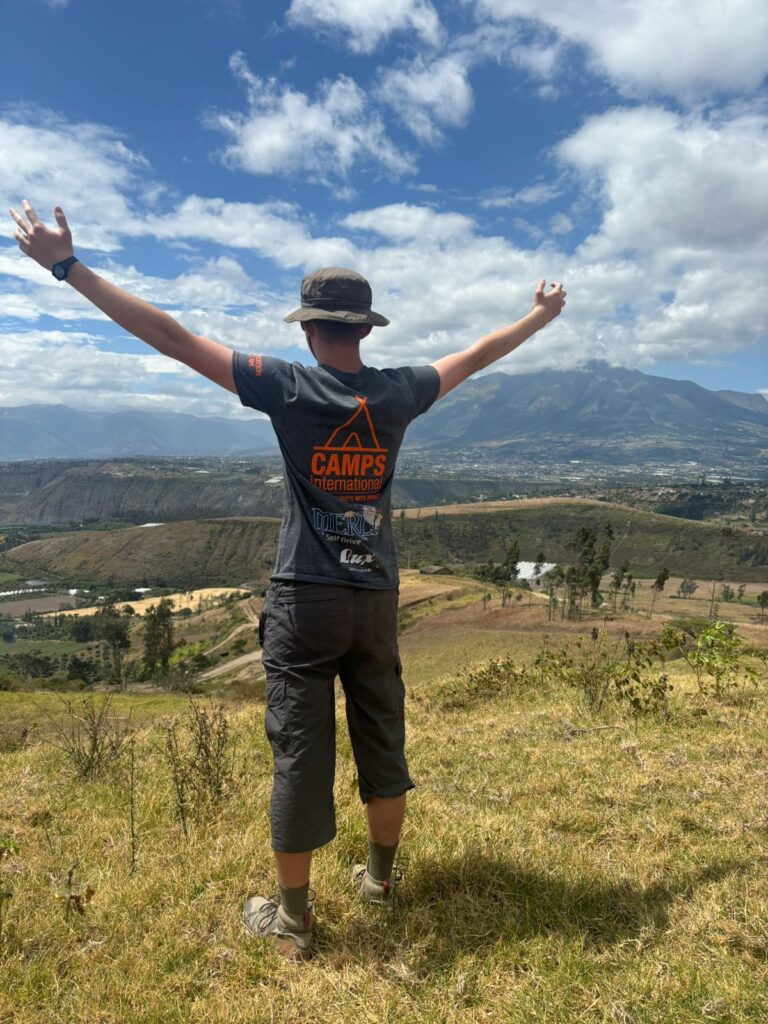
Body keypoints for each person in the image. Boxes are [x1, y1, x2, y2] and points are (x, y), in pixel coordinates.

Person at [9, 199, 566, 961]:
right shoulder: (398, 392)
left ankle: (296, 923)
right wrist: (538, 317)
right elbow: (476, 354)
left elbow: (169, 337)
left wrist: (67, 268)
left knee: (301, 753)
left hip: (304, 598)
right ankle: (378, 882)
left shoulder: (288, 387)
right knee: (383, 737)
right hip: (375, 597)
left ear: (308, 328)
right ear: (366, 331)